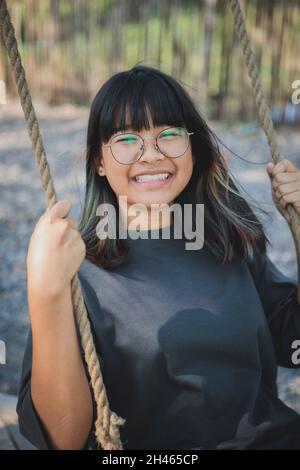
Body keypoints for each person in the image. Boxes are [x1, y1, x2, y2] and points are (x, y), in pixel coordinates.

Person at [16, 65, 300, 450]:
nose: (151, 154)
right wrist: (45, 293)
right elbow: (64, 439)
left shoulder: (228, 241)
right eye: (126, 139)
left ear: (193, 149)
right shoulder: (76, 271)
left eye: (168, 135)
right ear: (99, 160)